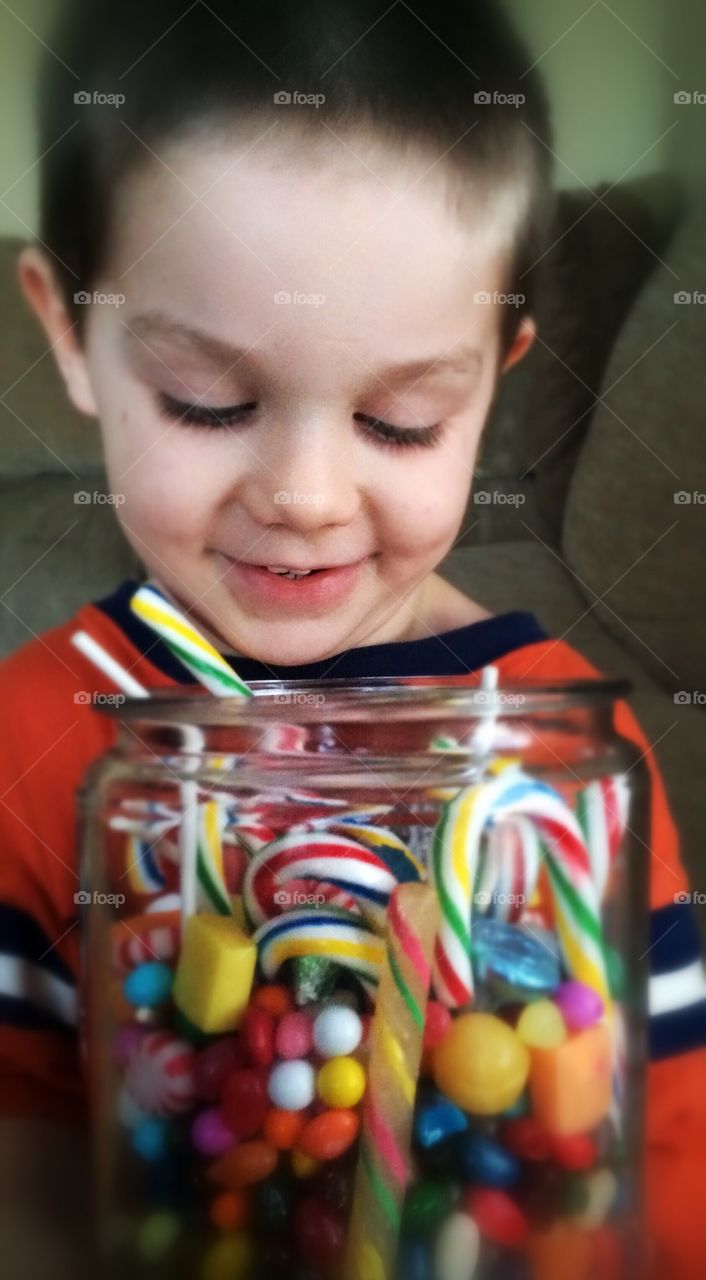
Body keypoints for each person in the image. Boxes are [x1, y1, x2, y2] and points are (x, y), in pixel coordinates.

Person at [0, 1, 704, 1276]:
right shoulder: (26, 744)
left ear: (496, 375)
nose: (308, 496)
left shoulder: (564, 758)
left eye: (401, 420)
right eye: (204, 401)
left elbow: (669, 1158)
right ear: (70, 333)